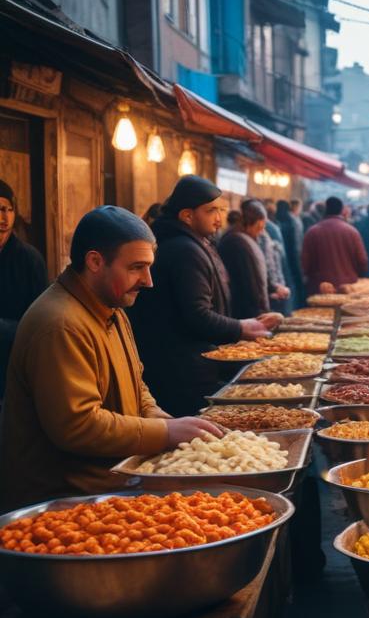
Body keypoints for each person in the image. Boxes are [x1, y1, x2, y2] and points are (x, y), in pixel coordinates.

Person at [1, 206, 224, 510]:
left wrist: (169, 425)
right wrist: (165, 433)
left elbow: (137, 385)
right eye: (136, 267)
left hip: (107, 481)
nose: (148, 281)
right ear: (95, 261)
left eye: (148, 267)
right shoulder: (60, 323)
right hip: (63, 502)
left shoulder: (112, 309)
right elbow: (78, 425)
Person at [130, 176, 279, 416]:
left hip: (187, 367)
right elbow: (197, 315)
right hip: (181, 372)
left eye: (220, 210)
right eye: (211, 211)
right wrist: (241, 327)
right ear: (187, 216)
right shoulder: (183, 250)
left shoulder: (192, 243)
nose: (219, 220)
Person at [0, 180, 47, 399]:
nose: (5, 217)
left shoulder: (29, 259)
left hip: (15, 366)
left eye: (9, 209)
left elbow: (41, 322)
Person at [302, 196, 368, 294]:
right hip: (348, 287)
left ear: (325, 210)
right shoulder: (352, 232)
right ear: (341, 210)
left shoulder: (312, 232)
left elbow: (305, 264)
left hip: (320, 288)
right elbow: (363, 261)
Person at [217, 202, 271, 319]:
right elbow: (248, 282)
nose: (262, 230)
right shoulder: (236, 242)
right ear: (255, 222)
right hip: (243, 311)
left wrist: (273, 288)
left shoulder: (242, 238)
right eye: (261, 225)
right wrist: (258, 312)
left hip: (247, 309)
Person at [258, 213, 292, 315]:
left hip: (273, 287)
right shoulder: (268, 232)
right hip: (274, 286)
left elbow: (270, 265)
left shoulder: (265, 234)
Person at [274, 200, 305, 305]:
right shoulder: (292, 220)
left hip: (281, 256)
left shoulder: (276, 220)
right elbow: (296, 241)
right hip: (292, 255)